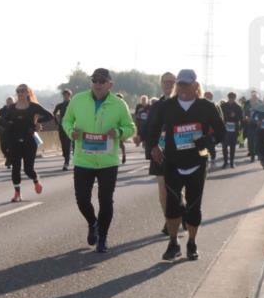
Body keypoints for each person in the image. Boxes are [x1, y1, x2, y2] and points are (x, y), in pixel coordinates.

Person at [149, 69, 225, 262]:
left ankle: (191, 242)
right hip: (172, 163)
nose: (182, 88)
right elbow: (153, 128)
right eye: (179, 84)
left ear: (195, 85)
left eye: (186, 84)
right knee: (172, 206)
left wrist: (208, 141)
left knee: (193, 207)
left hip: (197, 162)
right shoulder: (167, 106)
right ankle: (173, 243)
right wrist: (153, 147)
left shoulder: (206, 106)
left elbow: (221, 132)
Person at [62, 69, 135, 253]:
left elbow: (130, 127)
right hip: (83, 160)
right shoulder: (78, 100)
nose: (98, 84)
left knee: (105, 200)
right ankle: (92, 222)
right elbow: (66, 121)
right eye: (95, 80)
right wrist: (71, 132)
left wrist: (118, 133)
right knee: (82, 199)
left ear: (110, 84)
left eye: (102, 81)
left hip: (107, 162)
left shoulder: (119, 104)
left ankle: (102, 237)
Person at [0, 84, 54, 202]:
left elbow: (49, 116)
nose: (20, 93)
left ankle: (35, 180)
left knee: (28, 169)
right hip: (14, 141)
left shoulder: (34, 107)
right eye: (18, 91)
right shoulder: (11, 108)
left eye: (23, 91)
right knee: (16, 167)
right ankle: (17, 194)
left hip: (29, 141)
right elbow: (3, 121)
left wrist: (37, 122)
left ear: (28, 93)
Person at [142, 72, 178, 235]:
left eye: (172, 81)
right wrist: (150, 148)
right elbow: (150, 129)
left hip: (181, 154)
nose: (169, 84)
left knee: (177, 191)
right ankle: (169, 221)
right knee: (163, 190)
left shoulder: (184, 104)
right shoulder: (156, 106)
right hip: (160, 154)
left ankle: (178, 215)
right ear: (161, 84)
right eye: (166, 82)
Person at [220, 92, 244, 168]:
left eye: (233, 98)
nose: (231, 100)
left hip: (234, 128)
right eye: (230, 98)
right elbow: (219, 116)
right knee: (224, 146)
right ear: (228, 98)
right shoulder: (223, 106)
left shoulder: (238, 107)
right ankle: (225, 162)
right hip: (224, 129)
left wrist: (240, 129)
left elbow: (241, 118)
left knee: (232, 146)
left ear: (235, 98)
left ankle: (232, 162)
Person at [52, 89, 74, 171]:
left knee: (68, 144)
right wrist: (57, 123)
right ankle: (66, 156)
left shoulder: (73, 104)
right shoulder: (60, 105)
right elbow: (53, 113)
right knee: (63, 144)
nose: (65, 96)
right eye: (64, 94)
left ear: (70, 95)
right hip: (62, 127)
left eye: (67, 94)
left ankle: (66, 163)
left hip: (71, 126)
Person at [0, 96, 14, 168]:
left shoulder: (16, 109)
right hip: (3, 131)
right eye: (8, 102)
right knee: (3, 147)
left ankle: (9, 160)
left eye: (11, 101)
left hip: (12, 131)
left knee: (11, 147)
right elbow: (0, 116)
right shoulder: (2, 110)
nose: (9, 103)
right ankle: (8, 158)